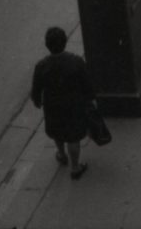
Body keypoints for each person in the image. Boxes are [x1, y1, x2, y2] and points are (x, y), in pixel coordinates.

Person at [31, 26, 95, 180]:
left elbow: (36, 89)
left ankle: (61, 154)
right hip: (73, 105)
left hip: (53, 106)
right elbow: (87, 85)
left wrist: (38, 101)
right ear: (65, 42)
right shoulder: (76, 62)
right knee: (73, 136)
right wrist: (89, 100)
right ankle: (75, 167)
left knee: (57, 131)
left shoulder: (42, 66)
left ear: (47, 45)